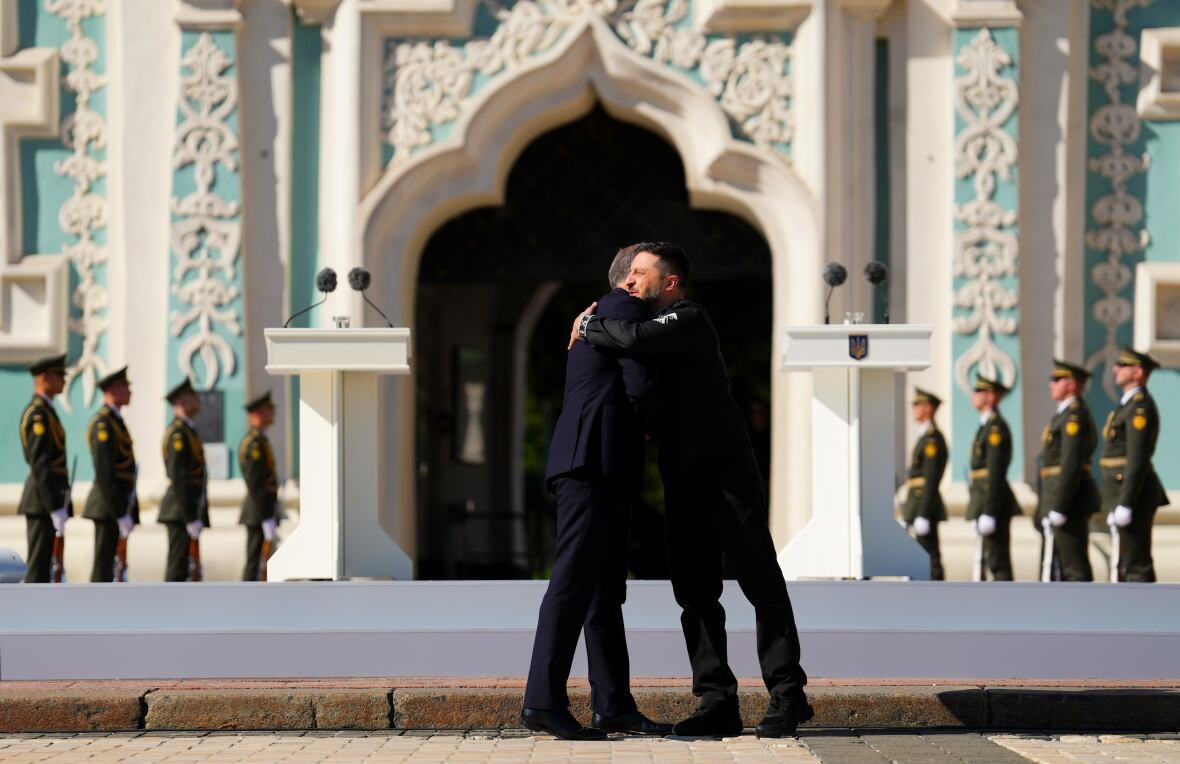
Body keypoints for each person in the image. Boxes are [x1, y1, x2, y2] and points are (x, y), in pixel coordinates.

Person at [574, 242, 811, 738]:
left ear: (671, 281)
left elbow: (634, 338)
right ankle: (717, 701)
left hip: (725, 471)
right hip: (680, 473)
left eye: (641, 272)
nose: (631, 281)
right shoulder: (651, 329)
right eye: (630, 273)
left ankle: (787, 693)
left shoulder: (687, 317)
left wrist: (589, 326)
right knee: (695, 592)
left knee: (758, 579)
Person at [522, 245, 669, 741]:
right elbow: (640, 384)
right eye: (651, 274)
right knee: (572, 582)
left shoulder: (595, 316)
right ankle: (542, 700)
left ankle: (613, 705)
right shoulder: (623, 308)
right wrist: (658, 424)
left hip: (597, 461)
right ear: (628, 280)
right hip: (593, 461)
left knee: (603, 592)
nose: (655, 283)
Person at [1101, 347, 1168, 582]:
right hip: (1123, 492)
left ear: (1138, 372)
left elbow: (1137, 457)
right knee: (1127, 561)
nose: (1115, 369)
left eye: (1122, 365)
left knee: (1137, 562)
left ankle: (1145, 615)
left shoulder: (1140, 407)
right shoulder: (1128, 405)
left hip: (1134, 494)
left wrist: (1127, 503)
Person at [1035, 360, 1098, 582]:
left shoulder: (1074, 416)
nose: (1051, 384)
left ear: (1071, 384)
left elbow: (1071, 464)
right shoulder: (1062, 416)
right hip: (1057, 500)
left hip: (1069, 503)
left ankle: (1083, 613)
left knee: (1074, 565)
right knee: (1057, 564)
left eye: (1056, 379)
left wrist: (1059, 506)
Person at [18, 354, 71, 583]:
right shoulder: (38, 414)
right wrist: (53, 507)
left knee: (50, 566)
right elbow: (40, 464)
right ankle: (29, 618)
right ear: (43, 377)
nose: (64, 380)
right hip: (42, 502)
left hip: (51, 501)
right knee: (38, 569)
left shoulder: (48, 412)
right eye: (59, 375)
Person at [83, 366, 139, 582]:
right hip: (108, 505)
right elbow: (105, 472)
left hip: (118, 503)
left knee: (114, 565)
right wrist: (119, 512)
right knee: (103, 565)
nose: (129, 392)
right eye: (125, 387)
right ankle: (96, 611)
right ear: (113, 390)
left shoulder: (116, 421)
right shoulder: (103, 423)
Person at [966, 374, 1021, 581]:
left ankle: (1007, 608)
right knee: (989, 560)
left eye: (979, 391)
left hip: (994, 504)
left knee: (998, 562)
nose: (973, 395)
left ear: (991, 396)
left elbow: (995, 473)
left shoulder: (996, 428)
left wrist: (989, 512)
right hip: (984, 502)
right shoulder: (986, 426)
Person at [159, 378, 209, 582]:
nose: (197, 400)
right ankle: (169, 609)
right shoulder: (178, 434)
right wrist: (189, 517)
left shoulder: (189, 431)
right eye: (192, 397)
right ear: (181, 402)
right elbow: (179, 477)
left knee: (187, 567)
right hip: (180, 511)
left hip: (188, 509)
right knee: (177, 567)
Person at [899, 388, 947, 580]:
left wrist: (924, 513)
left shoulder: (932, 439)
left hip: (924, 507)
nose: (913, 408)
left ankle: (937, 596)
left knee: (930, 556)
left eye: (917, 404)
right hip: (916, 506)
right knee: (919, 555)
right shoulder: (924, 436)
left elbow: (931, 479)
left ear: (928, 408)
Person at [239, 391, 279, 581]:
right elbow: (255, 483)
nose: (273, 412)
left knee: (261, 561)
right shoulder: (254, 443)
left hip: (263, 510)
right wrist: (265, 516)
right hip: (257, 512)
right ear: (258, 414)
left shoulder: (261, 440)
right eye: (268, 409)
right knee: (254, 561)